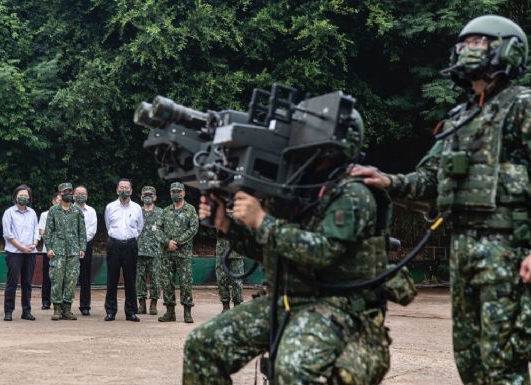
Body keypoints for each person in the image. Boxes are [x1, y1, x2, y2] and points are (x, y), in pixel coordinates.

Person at [349, 15, 531, 384]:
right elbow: (431, 179)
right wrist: (386, 181)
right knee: (470, 361)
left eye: (478, 43)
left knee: (503, 363)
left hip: (509, 252)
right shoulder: (461, 117)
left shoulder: (522, 106)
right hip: (463, 249)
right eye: (463, 44)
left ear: (506, 51)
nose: (466, 51)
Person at [183, 110, 398, 384]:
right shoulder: (296, 191)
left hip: (337, 305)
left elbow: (322, 253)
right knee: (201, 345)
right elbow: (273, 252)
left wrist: (262, 221)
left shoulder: (352, 193)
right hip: (287, 299)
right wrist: (228, 226)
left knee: (292, 367)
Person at [157, 182, 198, 323]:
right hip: (167, 253)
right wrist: (167, 242)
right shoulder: (165, 211)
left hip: (183, 254)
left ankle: (187, 312)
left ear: (184, 193)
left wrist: (177, 242)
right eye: (173, 191)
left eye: (178, 191)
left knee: (186, 282)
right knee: (167, 282)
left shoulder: (190, 210)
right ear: (170, 193)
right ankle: (170, 312)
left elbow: (193, 228)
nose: (176, 194)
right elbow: (158, 229)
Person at [44, 183, 86, 321]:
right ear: (60, 193)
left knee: (71, 280)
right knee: (56, 279)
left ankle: (67, 309)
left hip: (73, 251)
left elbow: (82, 231)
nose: (67, 193)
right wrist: (49, 247)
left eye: (69, 191)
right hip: (58, 250)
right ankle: (57, 308)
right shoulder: (53, 210)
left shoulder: (77, 211)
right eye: (64, 191)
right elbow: (48, 231)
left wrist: (82, 248)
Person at [103, 178, 143, 322]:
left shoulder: (137, 208)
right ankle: (110, 311)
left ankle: (131, 311)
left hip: (131, 245)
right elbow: (108, 226)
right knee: (112, 278)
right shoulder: (110, 207)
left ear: (131, 191)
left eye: (127, 187)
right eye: (121, 187)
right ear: (117, 190)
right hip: (114, 245)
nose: (124, 189)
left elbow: (139, 227)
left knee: (130, 279)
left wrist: (130, 238)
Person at [2, 185, 39, 321]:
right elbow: (8, 234)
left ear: (29, 197)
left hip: (30, 251)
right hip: (14, 252)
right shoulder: (9, 213)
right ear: (15, 196)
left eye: (26, 195)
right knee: (12, 282)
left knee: (27, 282)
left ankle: (26, 311)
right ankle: (8, 311)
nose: (23, 197)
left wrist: (34, 244)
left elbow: (37, 230)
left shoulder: (32, 213)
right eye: (20, 195)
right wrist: (21, 247)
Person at [136, 186, 163, 315]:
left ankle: (153, 304)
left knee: (155, 279)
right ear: (141, 197)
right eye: (145, 195)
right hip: (138, 251)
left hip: (156, 252)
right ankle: (141, 304)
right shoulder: (136, 211)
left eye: (150, 195)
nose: (148, 197)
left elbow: (165, 231)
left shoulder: (161, 213)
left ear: (155, 197)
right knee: (139, 279)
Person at [74, 185, 97, 316]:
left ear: (87, 196)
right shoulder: (67, 209)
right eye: (78, 193)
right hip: (68, 246)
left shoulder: (91, 211)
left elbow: (92, 231)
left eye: (83, 193)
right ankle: (63, 305)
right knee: (66, 276)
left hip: (86, 246)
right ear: (73, 196)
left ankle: (85, 305)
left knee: (85, 277)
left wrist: (81, 244)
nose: (80, 195)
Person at [37, 192, 60, 310]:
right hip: (48, 249)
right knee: (47, 277)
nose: (60, 202)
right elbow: (42, 232)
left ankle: (60, 302)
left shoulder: (68, 214)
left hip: (63, 251)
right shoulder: (45, 214)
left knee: (61, 277)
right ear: (53, 201)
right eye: (58, 200)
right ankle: (46, 302)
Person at [214, 233, 244, 313]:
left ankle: (237, 306)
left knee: (237, 280)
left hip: (236, 251)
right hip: (221, 250)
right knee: (221, 279)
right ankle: (225, 306)